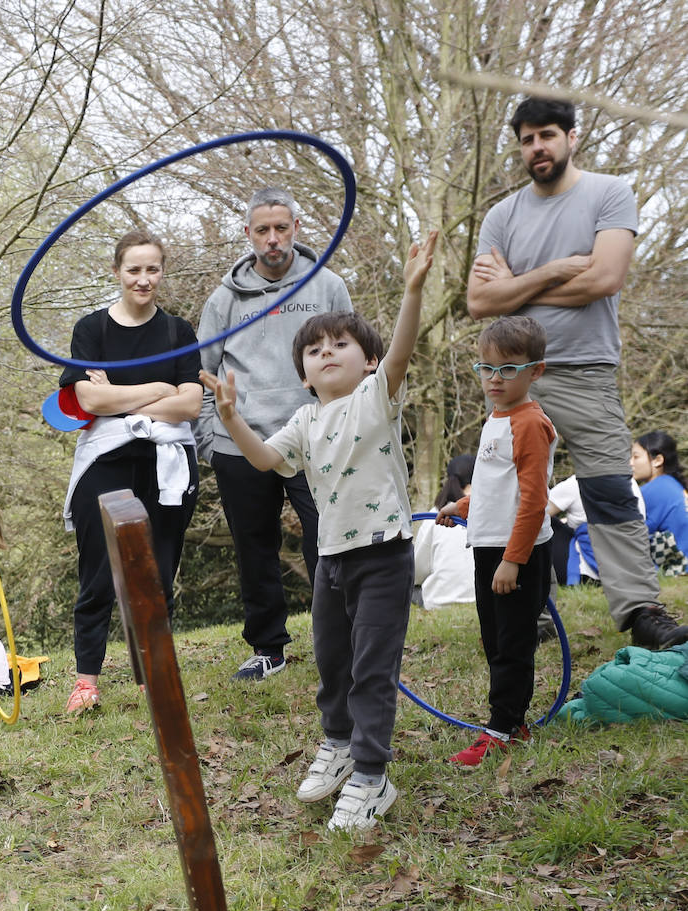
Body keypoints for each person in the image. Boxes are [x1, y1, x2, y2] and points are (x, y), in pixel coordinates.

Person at [201, 231, 438, 832]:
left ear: (367, 361)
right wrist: (230, 416)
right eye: (315, 350)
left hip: (383, 556)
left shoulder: (375, 400)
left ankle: (371, 775)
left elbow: (404, 351)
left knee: (371, 668)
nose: (327, 352)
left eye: (342, 344)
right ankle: (337, 744)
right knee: (333, 662)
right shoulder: (304, 419)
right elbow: (261, 461)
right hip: (331, 561)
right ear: (303, 374)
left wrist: (412, 290)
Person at [467, 96, 688, 650]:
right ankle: (527, 609)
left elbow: (605, 279)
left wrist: (517, 284)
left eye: (546, 135)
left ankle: (641, 610)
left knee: (611, 488)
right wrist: (558, 268)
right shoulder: (503, 215)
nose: (537, 147)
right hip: (514, 374)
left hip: (585, 369)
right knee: (512, 493)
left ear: (571, 137)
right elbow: (478, 301)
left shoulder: (609, 193)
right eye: (526, 139)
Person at [197, 187, 352, 679]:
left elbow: (354, 362)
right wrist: (210, 438)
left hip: (314, 439)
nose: (272, 240)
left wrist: (345, 426)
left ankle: (343, 640)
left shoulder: (326, 286)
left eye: (280, 228)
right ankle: (269, 649)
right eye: (262, 230)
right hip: (241, 442)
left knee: (328, 540)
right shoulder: (223, 300)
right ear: (248, 235)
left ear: (296, 230)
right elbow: (199, 375)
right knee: (254, 547)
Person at [58, 229, 201, 714]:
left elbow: (192, 404)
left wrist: (123, 395)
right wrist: (160, 387)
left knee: (158, 571)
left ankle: (152, 676)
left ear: (162, 271)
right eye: (134, 270)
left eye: (152, 269)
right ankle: (86, 682)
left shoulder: (177, 331)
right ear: (116, 271)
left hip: (167, 463)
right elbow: (88, 399)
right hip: (106, 458)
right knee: (98, 570)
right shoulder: (91, 330)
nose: (144, 279)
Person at [437, 317, 557, 766]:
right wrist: (462, 508)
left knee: (512, 642)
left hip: (516, 553)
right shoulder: (496, 418)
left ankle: (501, 728)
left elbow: (532, 500)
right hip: (491, 548)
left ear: (535, 371)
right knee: (494, 637)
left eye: (507, 369)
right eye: (485, 368)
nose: (494, 379)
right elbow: (494, 488)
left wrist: (513, 560)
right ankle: (514, 720)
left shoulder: (528, 423)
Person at [412, 454, 476, 608]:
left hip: (438, 599)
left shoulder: (435, 514)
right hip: (479, 595)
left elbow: (418, 570)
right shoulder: (486, 511)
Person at [631, 431, 688, 575]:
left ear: (657, 460)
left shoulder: (654, 489)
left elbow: (630, 531)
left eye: (636, 457)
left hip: (678, 566)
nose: (630, 463)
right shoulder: (672, 484)